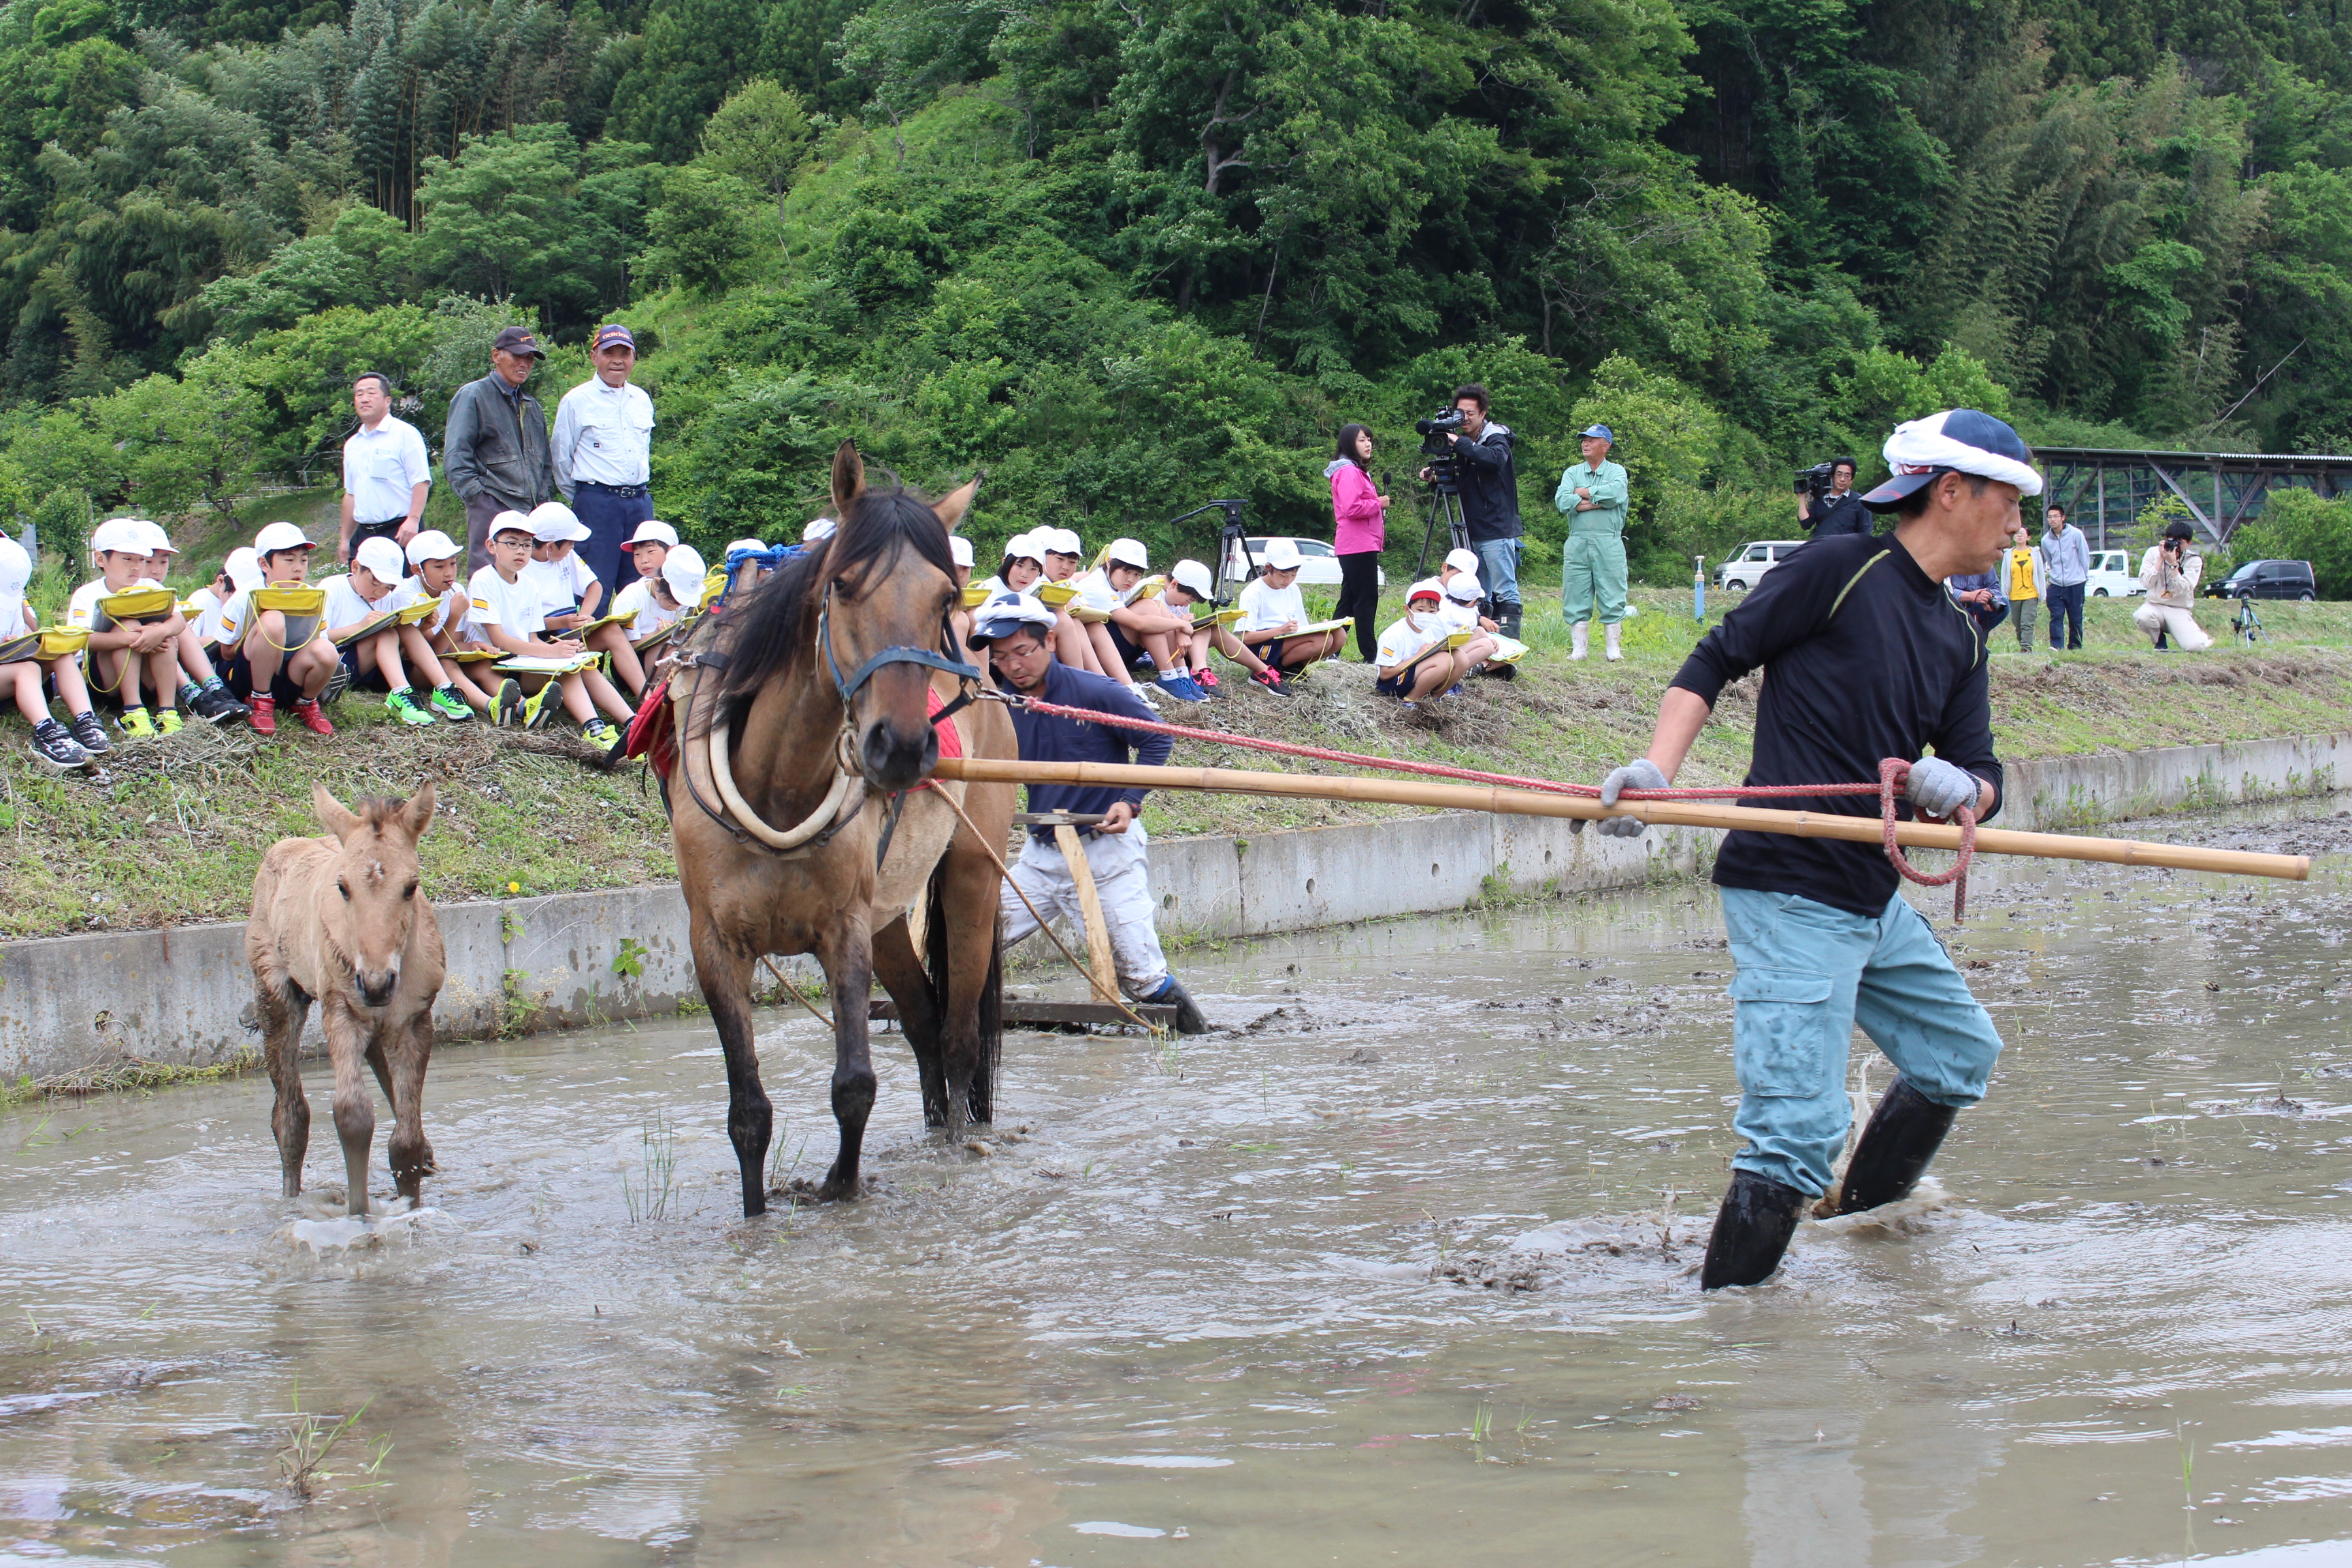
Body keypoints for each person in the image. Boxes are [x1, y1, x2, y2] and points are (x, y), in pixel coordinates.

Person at [1597, 407, 2032, 1290]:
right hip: (1789, 889)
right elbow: (1718, 657)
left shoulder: (1959, 633)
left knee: (1959, 1056)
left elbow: (1984, 772)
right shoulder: (1841, 568)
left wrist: (1963, 792)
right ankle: (1733, 1333)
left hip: (1870, 899)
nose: (2019, 526)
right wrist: (1657, 769)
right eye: (2010, 503)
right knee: (1796, 1134)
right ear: (1952, 493)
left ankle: (1857, 1219)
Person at [968, 594, 1209, 1034]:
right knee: (970, 942)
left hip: (1106, 855)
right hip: (1041, 856)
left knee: (1142, 978)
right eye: (1001, 657)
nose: (1013, 665)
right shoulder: (997, 703)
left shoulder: (1095, 692)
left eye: (1022, 651)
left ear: (1051, 641)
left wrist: (1127, 800)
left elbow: (1157, 740)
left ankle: (1203, 1045)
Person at [466, 510, 632, 745]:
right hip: (497, 665)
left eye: (526, 545)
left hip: (522, 662)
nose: (520, 551)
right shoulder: (484, 580)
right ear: (492, 546)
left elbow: (532, 637)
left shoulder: (529, 584)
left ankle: (632, 721)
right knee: (566, 670)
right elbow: (499, 639)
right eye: (512, 544)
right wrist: (552, 653)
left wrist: (561, 649)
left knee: (578, 664)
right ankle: (594, 728)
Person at [551, 323, 655, 602]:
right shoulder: (576, 400)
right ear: (595, 356)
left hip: (639, 503)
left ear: (634, 357)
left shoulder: (642, 400)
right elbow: (561, 459)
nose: (618, 360)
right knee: (592, 584)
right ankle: (585, 645)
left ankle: (640, 645)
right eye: (610, 353)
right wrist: (587, 498)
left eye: (625, 353)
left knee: (642, 585)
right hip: (597, 504)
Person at [444, 325, 557, 574]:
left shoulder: (532, 405)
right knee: (488, 577)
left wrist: (544, 497)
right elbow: (456, 456)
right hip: (492, 504)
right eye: (517, 356)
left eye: (529, 358)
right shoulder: (473, 395)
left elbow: (545, 461)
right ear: (496, 356)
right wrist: (479, 499)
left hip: (532, 509)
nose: (524, 364)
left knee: (528, 580)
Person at [1414, 384, 1522, 637]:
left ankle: (1508, 644)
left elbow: (1493, 460)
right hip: (1472, 528)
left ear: (1483, 414)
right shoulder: (1465, 442)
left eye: (1470, 413)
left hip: (1496, 527)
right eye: (1460, 412)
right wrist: (1435, 475)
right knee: (1476, 589)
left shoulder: (1496, 436)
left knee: (1505, 588)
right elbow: (1464, 479)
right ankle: (1481, 642)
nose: (1464, 418)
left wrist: (1458, 443)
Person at [0, 534, 110, 770]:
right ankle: (46, 732)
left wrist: (19, 640)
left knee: (59, 652)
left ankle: (86, 719)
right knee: (27, 668)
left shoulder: (12, 594)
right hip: (14, 673)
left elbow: (25, 631)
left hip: (7, 672)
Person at [125, 519, 250, 725]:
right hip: (123, 680)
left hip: (156, 675)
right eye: (148, 561)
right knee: (162, 629)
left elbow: (178, 625)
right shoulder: (117, 593)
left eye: (163, 562)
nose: (157, 571)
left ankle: (215, 689)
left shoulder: (161, 594)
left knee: (174, 625)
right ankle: (193, 695)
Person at [227, 521, 341, 737]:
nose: (298, 567)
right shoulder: (247, 594)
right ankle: (260, 701)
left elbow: (320, 640)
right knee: (273, 619)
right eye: (289, 560)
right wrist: (267, 643)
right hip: (249, 679)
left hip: (291, 677)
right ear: (264, 564)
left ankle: (305, 703)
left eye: (304, 560)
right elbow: (225, 650)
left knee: (326, 650)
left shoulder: (314, 597)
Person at [321, 536, 440, 725]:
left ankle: (444, 688)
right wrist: (359, 627)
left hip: (373, 668)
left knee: (400, 627)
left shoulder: (386, 597)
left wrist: (424, 626)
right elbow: (317, 638)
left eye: (388, 587)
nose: (379, 592)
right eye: (374, 583)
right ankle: (402, 696)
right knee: (385, 632)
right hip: (337, 666)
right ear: (356, 568)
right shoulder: (331, 588)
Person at [1077, 537, 1203, 703]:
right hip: (1098, 655)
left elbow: (1159, 609)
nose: (1131, 579)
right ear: (1109, 563)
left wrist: (1182, 631)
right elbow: (1137, 623)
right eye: (1126, 571)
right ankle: (1169, 677)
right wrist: (1181, 624)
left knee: (1153, 605)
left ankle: (1181, 675)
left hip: (1117, 651)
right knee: (1147, 608)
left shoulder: (1122, 584)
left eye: (1137, 574)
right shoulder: (1095, 586)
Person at [1555, 423, 1631, 661]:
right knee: (1575, 593)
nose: (1585, 443)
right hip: (1577, 542)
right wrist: (1597, 500)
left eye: (1592, 440)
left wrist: (1582, 493)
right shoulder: (1572, 472)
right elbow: (1562, 502)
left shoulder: (1617, 471)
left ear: (1605, 446)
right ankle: (1579, 650)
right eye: (1584, 439)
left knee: (1613, 592)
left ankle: (1613, 650)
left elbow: (1617, 494)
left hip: (1609, 541)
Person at [339, 370, 431, 564]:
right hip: (364, 534)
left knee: (402, 591)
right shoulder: (353, 444)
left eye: (371, 393)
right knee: (362, 592)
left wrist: (413, 520)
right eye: (359, 394)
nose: (365, 399)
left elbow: (421, 482)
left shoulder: (405, 434)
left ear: (387, 400)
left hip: (400, 530)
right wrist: (345, 539)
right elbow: (350, 495)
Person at [1159, 558, 1290, 694]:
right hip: (1160, 654)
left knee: (1213, 629)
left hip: (1178, 649)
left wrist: (1184, 625)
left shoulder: (1178, 592)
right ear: (1174, 584)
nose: (1186, 605)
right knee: (1204, 629)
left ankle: (1262, 671)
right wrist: (1181, 625)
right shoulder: (1153, 590)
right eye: (1188, 600)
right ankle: (1198, 671)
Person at [396, 529, 487, 722]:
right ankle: (489, 705)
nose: (449, 572)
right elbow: (433, 652)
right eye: (439, 566)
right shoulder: (407, 594)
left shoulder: (456, 591)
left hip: (441, 660)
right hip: (414, 668)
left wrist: (474, 647)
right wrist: (454, 616)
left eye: (453, 563)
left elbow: (454, 643)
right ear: (417, 570)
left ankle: (507, 704)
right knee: (447, 662)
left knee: (481, 663)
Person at [1236, 538, 1347, 673]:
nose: (1288, 580)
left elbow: (1302, 627)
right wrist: (1280, 630)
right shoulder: (1253, 592)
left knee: (1339, 635)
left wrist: (1322, 627)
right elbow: (1245, 638)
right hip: (1262, 645)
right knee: (1323, 640)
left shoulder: (1292, 588)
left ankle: (1293, 669)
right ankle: (1275, 670)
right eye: (1283, 575)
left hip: (1285, 638)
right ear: (1269, 568)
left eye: (1293, 575)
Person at [1326, 423, 1389, 662]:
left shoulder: (1352, 470)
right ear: (1349, 443)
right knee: (1365, 600)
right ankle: (1370, 655)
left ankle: (1330, 651)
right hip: (1358, 544)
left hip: (1357, 544)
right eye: (1362, 440)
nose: (1368, 444)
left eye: (1369, 439)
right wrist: (1379, 503)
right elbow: (1352, 508)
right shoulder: (1350, 472)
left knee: (1350, 600)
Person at [1375, 579, 1477, 708]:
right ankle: (1408, 701)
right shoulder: (1394, 635)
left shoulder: (1427, 630)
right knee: (1444, 659)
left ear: (1437, 612)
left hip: (1414, 676)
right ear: (1407, 609)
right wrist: (1418, 655)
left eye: (1431, 611)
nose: (1426, 615)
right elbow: (1385, 675)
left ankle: (1433, 699)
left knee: (1460, 657)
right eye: (1420, 610)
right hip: (1392, 684)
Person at [2135, 520, 2210, 651]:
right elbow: (2146, 583)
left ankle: (2199, 636)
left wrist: (2173, 565)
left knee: (2195, 647)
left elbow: (2184, 589)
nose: (2174, 546)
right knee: (2143, 615)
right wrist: (2161, 559)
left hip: (2178, 609)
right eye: (2171, 541)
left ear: (2189, 543)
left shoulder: (2194, 560)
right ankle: (2159, 639)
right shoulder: (2153, 553)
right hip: (2155, 605)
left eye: (2179, 543)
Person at [2041, 504, 2088, 651]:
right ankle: (2056, 645)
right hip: (2056, 584)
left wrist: (2082, 577)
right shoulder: (2045, 540)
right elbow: (2050, 560)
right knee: (2056, 615)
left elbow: (2084, 557)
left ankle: (2075, 646)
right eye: (2050, 517)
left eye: (2056, 516)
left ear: (2063, 518)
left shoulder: (2076, 534)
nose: (2053, 520)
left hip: (2075, 582)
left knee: (2075, 618)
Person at [1798, 457, 1872, 538]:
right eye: (1839, 474)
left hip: (1845, 550)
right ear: (1832, 477)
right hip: (1821, 549)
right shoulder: (1820, 499)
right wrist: (1802, 498)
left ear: (1852, 480)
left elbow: (1865, 532)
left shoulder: (1859, 502)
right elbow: (1805, 524)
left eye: (1847, 476)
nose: (1842, 479)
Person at [2002, 521, 2046, 651]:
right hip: (2014, 595)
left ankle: (2026, 648)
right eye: (2017, 534)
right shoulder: (2008, 554)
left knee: (2027, 622)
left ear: (2028, 537)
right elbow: (2005, 574)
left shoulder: (2035, 553)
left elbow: (2040, 574)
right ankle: (2023, 643)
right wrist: (2004, 593)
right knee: (2017, 623)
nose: (2019, 536)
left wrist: (2042, 593)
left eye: (2022, 534)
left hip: (2031, 594)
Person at [1946, 561, 2006, 638]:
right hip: (1952, 606)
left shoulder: (1984, 561)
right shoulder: (1949, 561)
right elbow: (1943, 590)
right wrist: (1971, 596)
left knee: (2004, 603)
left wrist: (1989, 597)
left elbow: (1994, 586)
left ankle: (1978, 639)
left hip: (1976, 607)